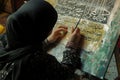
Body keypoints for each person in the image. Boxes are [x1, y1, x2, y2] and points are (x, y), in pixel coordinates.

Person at [0, 0, 81, 80]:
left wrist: (46, 41)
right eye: (50, 28)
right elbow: (65, 74)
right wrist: (71, 46)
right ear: (41, 32)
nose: (51, 30)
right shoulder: (37, 61)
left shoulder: (6, 37)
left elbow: (22, 49)